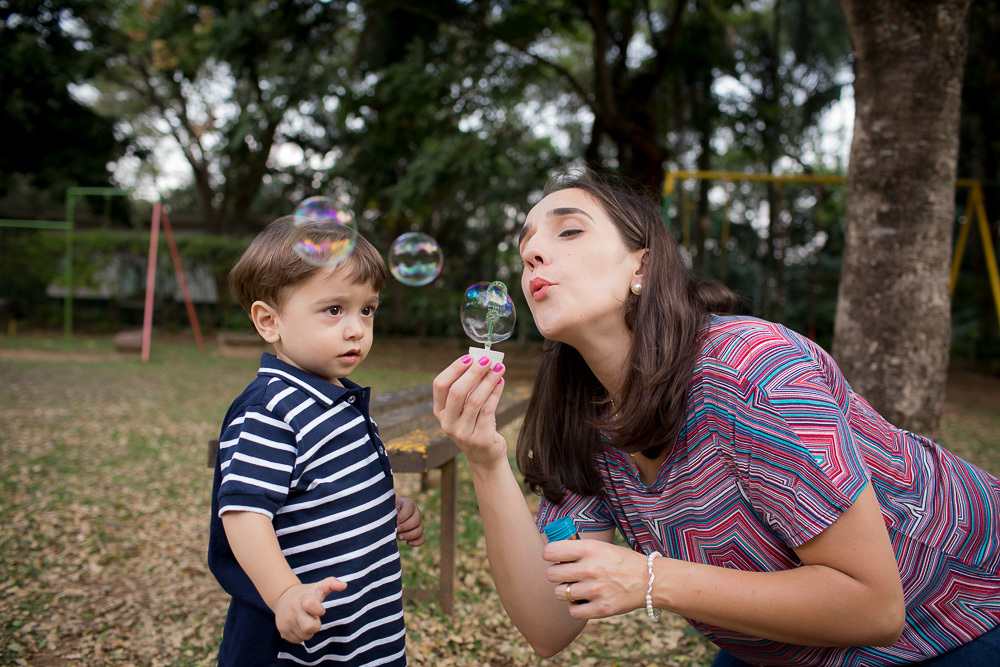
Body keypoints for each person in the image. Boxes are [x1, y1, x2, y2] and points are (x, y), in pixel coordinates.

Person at [432, 168, 1000, 666]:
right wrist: (485, 459)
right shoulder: (586, 415)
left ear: (642, 266)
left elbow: (873, 607)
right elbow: (549, 625)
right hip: (785, 645)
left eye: (569, 231)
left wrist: (653, 579)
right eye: (526, 244)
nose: (533, 252)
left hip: (963, 617)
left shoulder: (754, 371)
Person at [208, 217, 425, 666]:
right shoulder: (271, 409)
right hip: (300, 646)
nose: (356, 329)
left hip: (365, 634)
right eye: (334, 310)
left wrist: (388, 509)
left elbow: (331, 491)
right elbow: (244, 514)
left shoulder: (339, 399)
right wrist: (284, 593)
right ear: (270, 321)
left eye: (367, 310)